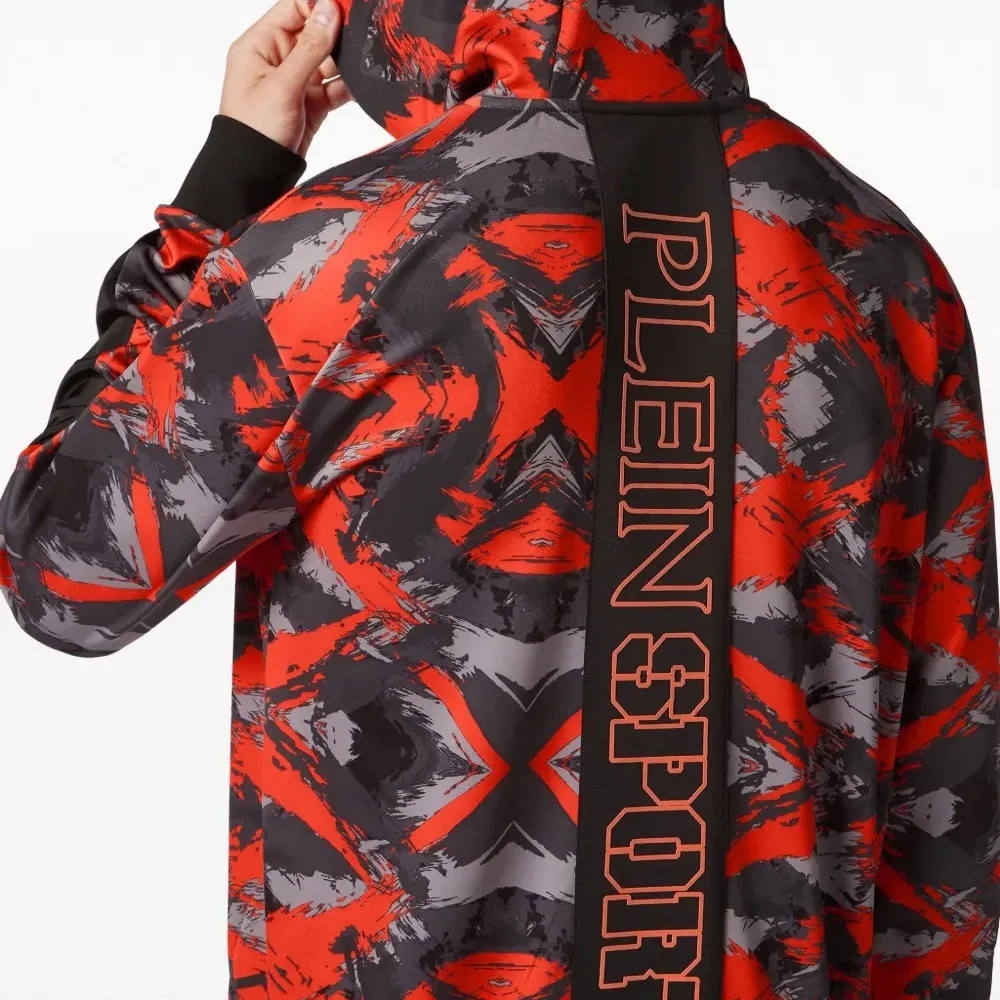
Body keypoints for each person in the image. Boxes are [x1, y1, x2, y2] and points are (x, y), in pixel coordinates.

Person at [2, 0, 998, 997]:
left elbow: (63, 569)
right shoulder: (885, 265)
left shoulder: (353, 248)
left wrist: (225, 192)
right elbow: (945, 803)